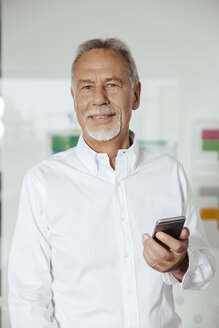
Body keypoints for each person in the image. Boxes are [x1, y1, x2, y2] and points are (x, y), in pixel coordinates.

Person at [8, 38, 215, 328]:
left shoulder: (169, 172)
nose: (99, 99)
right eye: (87, 87)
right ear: (74, 98)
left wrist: (179, 264)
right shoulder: (43, 182)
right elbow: (28, 299)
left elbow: (204, 268)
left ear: (136, 95)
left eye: (113, 84)